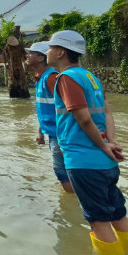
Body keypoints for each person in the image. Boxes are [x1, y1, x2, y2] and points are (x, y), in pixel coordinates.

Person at [46, 30, 128, 255]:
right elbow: (107, 111)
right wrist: (110, 142)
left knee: (98, 222)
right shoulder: (90, 76)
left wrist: (102, 145)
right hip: (106, 162)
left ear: (60, 52)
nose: (47, 51)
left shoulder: (66, 78)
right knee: (118, 215)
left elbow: (83, 117)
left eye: (50, 48)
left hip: (84, 161)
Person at [24, 41, 73, 193]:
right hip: (53, 134)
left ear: (40, 58)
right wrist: (40, 131)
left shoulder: (51, 78)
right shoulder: (40, 78)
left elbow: (69, 108)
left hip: (61, 135)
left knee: (64, 172)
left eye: (31, 53)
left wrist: (67, 140)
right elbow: (47, 109)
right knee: (63, 173)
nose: (27, 55)